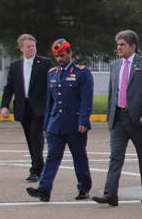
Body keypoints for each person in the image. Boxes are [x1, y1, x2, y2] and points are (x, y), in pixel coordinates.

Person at [93, 30, 142, 206]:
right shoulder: (115, 65)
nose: (119, 48)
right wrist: (109, 116)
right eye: (118, 45)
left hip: (138, 118)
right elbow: (112, 92)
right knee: (115, 157)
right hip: (119, 118)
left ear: (132, 46)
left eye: (122, 45)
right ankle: (110, 194)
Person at [26, 39, 93, 202]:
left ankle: (84, 187)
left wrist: (83, 121)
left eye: (62, 55)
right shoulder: (52, 73)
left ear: (70, 53)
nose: (60, 59)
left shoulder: (82, 72)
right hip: (55, 125)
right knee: (51, 158)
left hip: (75, 124)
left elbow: (86, 100)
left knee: (79, 158)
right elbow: (50, 102)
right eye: (57, 56)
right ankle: (44, 190)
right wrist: (47, 124)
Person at [0, 34, 53, 182]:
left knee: (36, 138)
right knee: (30, 139)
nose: (31, 49)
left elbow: (52, 85)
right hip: (23, 106)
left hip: (39, 107)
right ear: (21, 48)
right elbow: (9, 87)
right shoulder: (16, 65)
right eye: (28, 46)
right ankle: (39, 166)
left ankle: (35, 169)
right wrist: (4, 105)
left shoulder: (45, 63)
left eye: (33, 46)